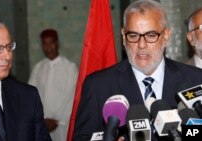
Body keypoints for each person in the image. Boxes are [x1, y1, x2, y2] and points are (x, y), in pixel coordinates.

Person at [73, 0, 202, 141]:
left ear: (165, 37)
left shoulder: (196, 80)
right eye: (133, 36)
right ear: (123, 36)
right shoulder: (98, 85)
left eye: (151, 35)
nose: (141, 45)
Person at [28, 29, 78, 141]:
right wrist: (42, 119)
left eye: (51, 43)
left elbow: (72, 96)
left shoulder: (70, 68)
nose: (48, 47)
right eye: (45, 43)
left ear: (57, 44)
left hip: (63, 124)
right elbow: (31, 94)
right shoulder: (38, 68)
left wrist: (57, 120)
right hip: (42, 123)